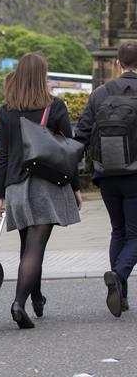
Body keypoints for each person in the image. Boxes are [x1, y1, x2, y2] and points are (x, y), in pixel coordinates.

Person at [0, 53, 81, 329]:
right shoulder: (55, 106)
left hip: (16, 185)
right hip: (46, 185)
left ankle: (36, 296)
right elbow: (68, 151)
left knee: (27, 245)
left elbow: (3, 155)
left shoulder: (6, 109)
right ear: (42, 76)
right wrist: (75, 188)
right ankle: (18, 303)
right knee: (36, 247)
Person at [75, 39, 137, 317]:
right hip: (136, 174)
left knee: (118, 231)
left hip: (106, 174)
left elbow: (82, 133)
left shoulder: (100, 93)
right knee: (136, 234)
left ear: (117, 63)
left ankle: (120, 297)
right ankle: (118, 275)